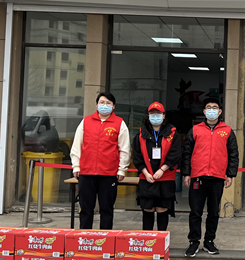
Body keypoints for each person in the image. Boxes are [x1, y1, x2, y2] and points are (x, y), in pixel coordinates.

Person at [181, 97, 239, 257]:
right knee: (195, 212)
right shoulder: (195, 129)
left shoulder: (227, 131)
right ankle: (193, 242)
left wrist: (230, 174)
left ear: (220, 111)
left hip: (217, 177)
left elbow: (233, 154)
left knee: (213, 212)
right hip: (197, 177)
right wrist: (186, 173)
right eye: (208, 107)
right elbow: (187, 153)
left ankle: (209, 241)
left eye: (215, 107)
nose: (211, 110)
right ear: (204, 111)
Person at [70, 92, 130, 230]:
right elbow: (77, 146)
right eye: (102, 102)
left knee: (106, 210)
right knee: (85, 209)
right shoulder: (86, 121)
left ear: (113, 106)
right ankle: (85, 237)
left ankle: (106, 239)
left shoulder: (119, 123)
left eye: (108, 103)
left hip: (109, 174)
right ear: (97, 105)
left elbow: (125, 149)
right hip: (87, 172)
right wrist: (76, 166)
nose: (105, 105)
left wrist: (122, 169)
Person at [132, 102, 182, 231]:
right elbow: (137, 156)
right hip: (147, 177)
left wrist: (162, 169)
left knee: (162, 208)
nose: (155, 116)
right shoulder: (141, 133)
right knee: (148, 208)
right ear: (148, 115)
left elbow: (176, 153)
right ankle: (147, 238)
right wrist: (145, 172)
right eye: (152, 113)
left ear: (164, 115)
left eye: (158, 113)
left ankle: (161, 238)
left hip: (165, 177)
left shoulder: (172, 133)